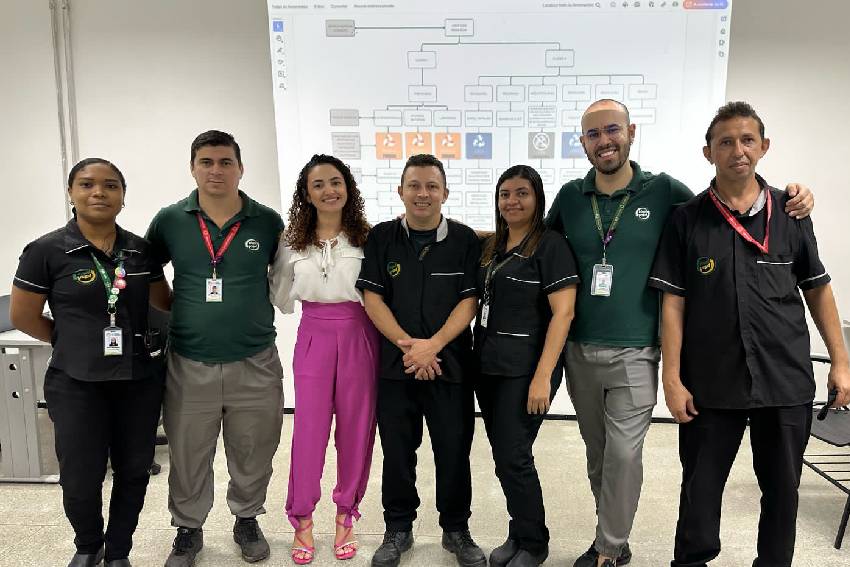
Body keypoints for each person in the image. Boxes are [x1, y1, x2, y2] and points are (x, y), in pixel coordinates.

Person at [544, 98, 815, 567]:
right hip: (580, 346)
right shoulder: (570, 196)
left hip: (637, 348)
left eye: (612, 130)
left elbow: (726, 210)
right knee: (599, 455)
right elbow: (535, 241)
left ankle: (608, 547)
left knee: (623, 456)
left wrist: (795, 196)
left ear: (631, 132)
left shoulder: (665, 191)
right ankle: (613, 536)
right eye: (593, 133)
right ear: (582, 142)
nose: (604, 140)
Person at [650, 101, 850, 567]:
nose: (737, 150)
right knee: (699, 493)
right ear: (708, 153)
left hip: (784, 381)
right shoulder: (686, 219)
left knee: (782, 493)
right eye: (725, 142)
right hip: (710, 384)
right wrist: (671, 378)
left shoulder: (792, 213)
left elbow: (817, 288)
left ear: (764, 146)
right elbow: (673, 303)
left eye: (747, 140)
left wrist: (841, 361)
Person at [10, 158, 172, 567]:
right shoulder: (46, 251)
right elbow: (24, 316)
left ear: (123, 196)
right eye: (86, 184)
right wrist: (69, 340)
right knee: (80, 476)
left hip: (137, 379)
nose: (99, 192)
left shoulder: (140, 250)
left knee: (134, 470)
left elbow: (163, 303)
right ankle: (88, 545)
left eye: (111, 185)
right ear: (71, 192)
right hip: (75, 381)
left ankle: (118, 551)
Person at [146, 130, 285, 566]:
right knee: (188, 452)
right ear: (192, 168)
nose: (216, 170)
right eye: (206, 162)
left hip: (255, 358)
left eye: (226, 162)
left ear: (241, 168)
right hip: (190, 360)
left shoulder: (267, 221)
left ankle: (247, 518)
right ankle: (188, 529)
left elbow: (285, 276)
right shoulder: (170, 220)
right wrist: (175, 306)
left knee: (254, 449)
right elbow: (148, 271)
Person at [356, 154, 486, 567]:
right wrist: (409, 347)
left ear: (445, 193)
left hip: (451, 366)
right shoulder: (382, 238)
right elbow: (372, 298)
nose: (423, 193)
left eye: (432, 186)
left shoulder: (465, 241)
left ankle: (456, 529)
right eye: (414, 185)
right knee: (397, 453)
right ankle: (398, 528)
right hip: (397, 367)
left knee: (453, 451)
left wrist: (434, 345)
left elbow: (470, 300)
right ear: (400, 191)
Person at [268, 154, 379, 564]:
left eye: (335, 182)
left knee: (356, 429)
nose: (328, 190)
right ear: (306, 193)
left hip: (360, 335)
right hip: (313, 335)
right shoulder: (291, 242)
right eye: (318, 184)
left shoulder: (368, 238)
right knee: (309, 432)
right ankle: (302, 518)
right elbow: (281, 295)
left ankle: (347, 514)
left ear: (348, 188)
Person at [474, 165, 578, 567]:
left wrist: (542, 378)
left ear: (537, 199)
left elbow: (563, 314)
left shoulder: (551, 246)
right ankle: (518, 532)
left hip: (527, 370)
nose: (512, 201)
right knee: (505, 456)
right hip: (489, 366)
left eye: (522, 193)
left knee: (515, 456)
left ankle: (534, 543)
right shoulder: (494, 246)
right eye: (505, 194)